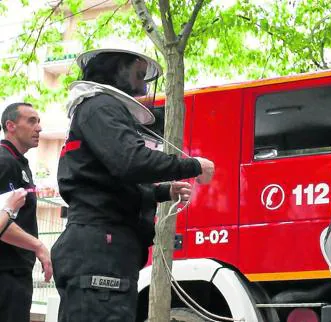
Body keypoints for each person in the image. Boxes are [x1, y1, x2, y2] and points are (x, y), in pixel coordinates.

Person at [51, 49, 215, 322]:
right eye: (139, 75)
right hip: (100, 247)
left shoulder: (96, 109)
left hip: (102, 246)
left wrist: (163, 191)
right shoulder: (101, 106)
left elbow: (108, 180)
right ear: (117, 68)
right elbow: (130, 161)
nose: (143, 86)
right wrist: (193, 165)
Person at [0, 102, 53, 322]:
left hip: (16, 273)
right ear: (10, 126)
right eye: (32, 121)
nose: (39, 127)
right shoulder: (4, 162)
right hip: (6, 273)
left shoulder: (19, 163)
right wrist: (38, 246)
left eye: (39, 121)